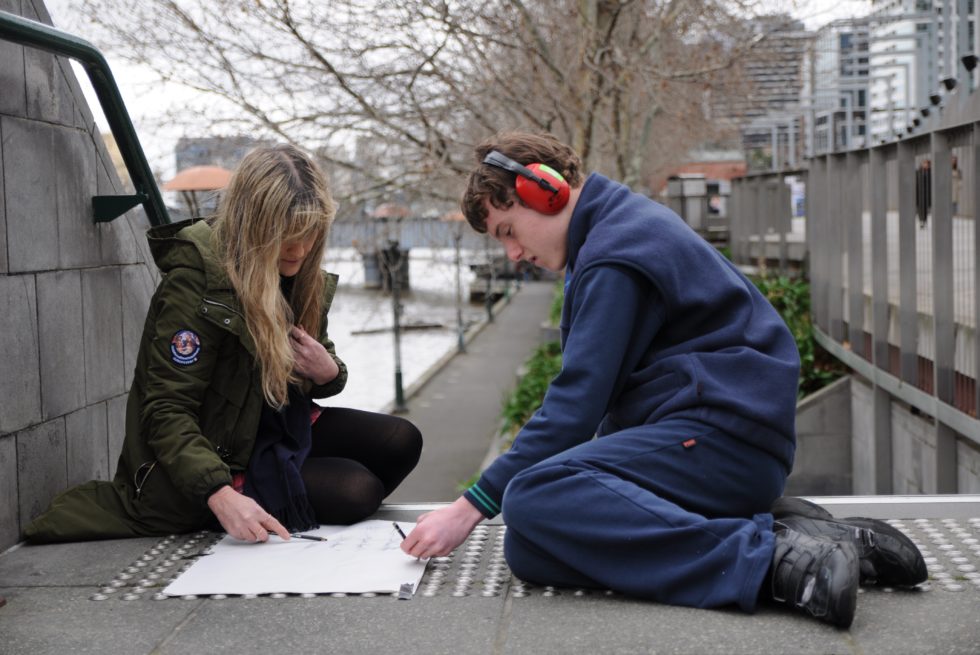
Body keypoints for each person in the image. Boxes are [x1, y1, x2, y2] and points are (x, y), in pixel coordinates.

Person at [401, 131, 924, 628]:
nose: (512, 254)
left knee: (534, 497)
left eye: (507, 232)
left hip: (721, 443)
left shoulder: (614, 255)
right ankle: (796, 532)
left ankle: (775, 563)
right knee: (531, 547)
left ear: (544, 191)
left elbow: (575, 409)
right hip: (722, 445)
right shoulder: (617, 227)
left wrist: (471, 506)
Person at [25, 144, 422, 543]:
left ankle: (287, 499)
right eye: (285, 236)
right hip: (215, 458)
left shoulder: (299, 272)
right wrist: (218, 494)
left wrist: (328, 372)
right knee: (357, 491)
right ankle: (244, 503)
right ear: (254, 225)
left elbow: (314, 359)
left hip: (273, 427)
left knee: (401, 441)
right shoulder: (195, 279)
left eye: (309, 234)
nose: (298, 250)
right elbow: (165, 410)